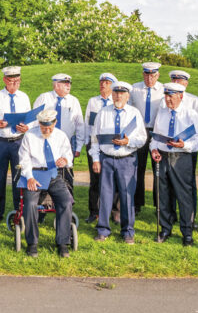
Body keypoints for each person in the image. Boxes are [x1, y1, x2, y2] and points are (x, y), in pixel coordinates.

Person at [90, 81, 148, 244]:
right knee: (105, 195)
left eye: (121, 93)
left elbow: (142, 138)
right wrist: (96, 159)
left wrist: (128, 142)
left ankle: (128, 231)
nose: (118, 96)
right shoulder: (103, 112)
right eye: (115, 93)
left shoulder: (134, 113)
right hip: (107, 159)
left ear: (127, 95)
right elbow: (95, 138)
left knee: (127, 196)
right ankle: (103, 230)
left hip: (127, 160)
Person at [150, 83, 198, 246]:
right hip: (163, 157)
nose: (167, 99)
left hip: (181, 158)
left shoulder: (190, 114)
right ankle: (165, 229)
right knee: (163, 195)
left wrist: (185, 146)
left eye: (171, 96)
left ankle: (187, 232)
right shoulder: (162, 112)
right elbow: (155, 137)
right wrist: (154, 149)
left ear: (180, 96)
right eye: (166, 96)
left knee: (184, 196)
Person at [0, 66, 34, 228]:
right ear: (5, 80)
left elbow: (30, 118)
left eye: (17, 82)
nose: (15, 85)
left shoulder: (24, 97)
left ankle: (20, 214)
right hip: (0, 143)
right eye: (11, 82)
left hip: (19, 142)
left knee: (19, 179)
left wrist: (27, 127)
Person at [18, 109, 75, 258]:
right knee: (30, 204)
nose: (47, 130)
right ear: (39, 123)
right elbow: (24, 159)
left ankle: (62, 243)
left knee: (66, 201)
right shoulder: (30, 135)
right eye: (44, 127)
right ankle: (32, 244)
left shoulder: (61, 135)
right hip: (34, 174)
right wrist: (29, 177)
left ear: (55, 122)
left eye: (50, 127)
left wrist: (65, 160)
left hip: (53, 174)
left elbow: (68, 154)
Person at [33, 73, 85, 196]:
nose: (69, 86)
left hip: (66, 143)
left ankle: (66, 207)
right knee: (44, 171)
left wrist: (78, 147)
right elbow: (35, 120)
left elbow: (80, 125)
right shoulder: (44, 98)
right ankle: (43, 206)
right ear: (56, 85)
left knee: (66, 174)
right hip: (45, 140)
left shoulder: (74, 101)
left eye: (69, 83)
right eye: (65, 83)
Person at [169, 70, 198, 228]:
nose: (177, 82)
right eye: (174, 80)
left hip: (188, 147)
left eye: (180, 80)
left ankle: (190, 218)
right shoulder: (166, 98)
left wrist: (186, 137)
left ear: (186, 83)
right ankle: (171, 215)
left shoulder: (194, 101)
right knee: (169, 182)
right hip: (170, 147)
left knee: (188, 183)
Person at [129, 62, 164, 215]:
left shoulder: (163, 89)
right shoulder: (134, 88)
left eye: (153, 75)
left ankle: (159, 206)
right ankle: (137, 204)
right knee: (138, 169)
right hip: (139, 132)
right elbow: (129, 111)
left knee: (159, 170)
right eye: (147, 74)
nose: (150, 78)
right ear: (143, 74)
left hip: (157, 133)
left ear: (158, 75)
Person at [83, 73, 117, 223]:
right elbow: (87, 122)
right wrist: (86, 141)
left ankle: (114, 212)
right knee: (95, 179)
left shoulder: (115, 102)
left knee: (112, 179)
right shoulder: (93, 101)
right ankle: (94, 211)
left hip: (109, 144)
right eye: (101, 82)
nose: (103, 84)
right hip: (95, 142)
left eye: (107, 82)